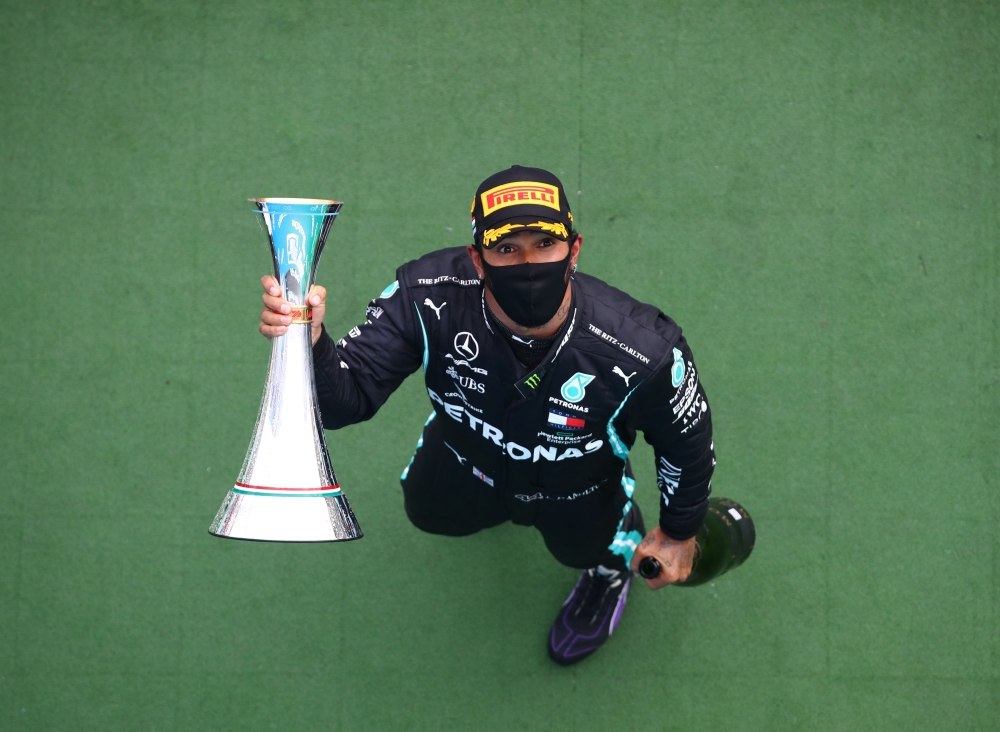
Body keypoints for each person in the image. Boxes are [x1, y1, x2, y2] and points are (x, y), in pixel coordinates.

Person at [258, 166, 715, 665]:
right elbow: (342, 403)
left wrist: (678, 532)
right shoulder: (423, 296)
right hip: (464, 457)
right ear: (477, 259)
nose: (527, 264)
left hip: (580, 486)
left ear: (575, 250)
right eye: (506, 249)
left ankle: (607, 572)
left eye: (545, 244)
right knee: (429, 513)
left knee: (587, 551)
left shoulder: (645, 348)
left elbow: (686, 447)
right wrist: (308, 343)